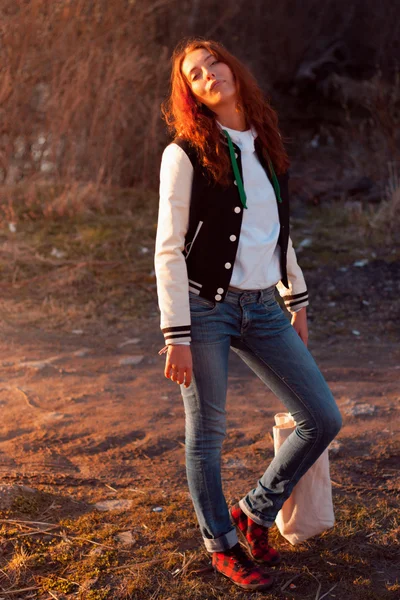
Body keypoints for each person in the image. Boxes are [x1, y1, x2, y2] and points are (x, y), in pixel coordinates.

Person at [154, 37, 342, 592]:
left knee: (322, 418)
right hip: (202, 307)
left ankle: (253, 513)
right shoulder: (183, 153)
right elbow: (168, 246)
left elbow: (278, 232)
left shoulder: (266, 141)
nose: (209, 74)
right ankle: (222, 543)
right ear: (191, 94)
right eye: (195, 74)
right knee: (206, 433)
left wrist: (296, 299)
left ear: (233, 69)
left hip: (263, 306)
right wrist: (177, 333)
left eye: (214, 63)